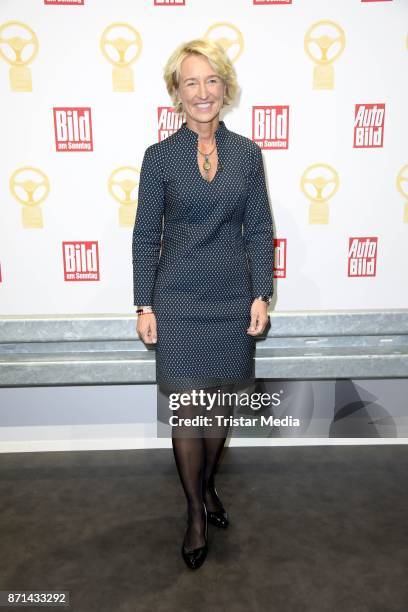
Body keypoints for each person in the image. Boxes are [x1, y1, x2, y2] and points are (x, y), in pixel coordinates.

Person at [132, 38, 274, 570]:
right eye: (191, 82)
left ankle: (208, 484)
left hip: (232, 298)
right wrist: (143, 305)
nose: (202, 92)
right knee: (188, 410)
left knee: (218, 409)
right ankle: (194, 512)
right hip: (178, 301)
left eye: (211, 80)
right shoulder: (159, 158)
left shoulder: (247, 154)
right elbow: (146, 237)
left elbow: (259, 228)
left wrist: (261, 293)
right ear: (176, 92)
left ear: (225, 88)